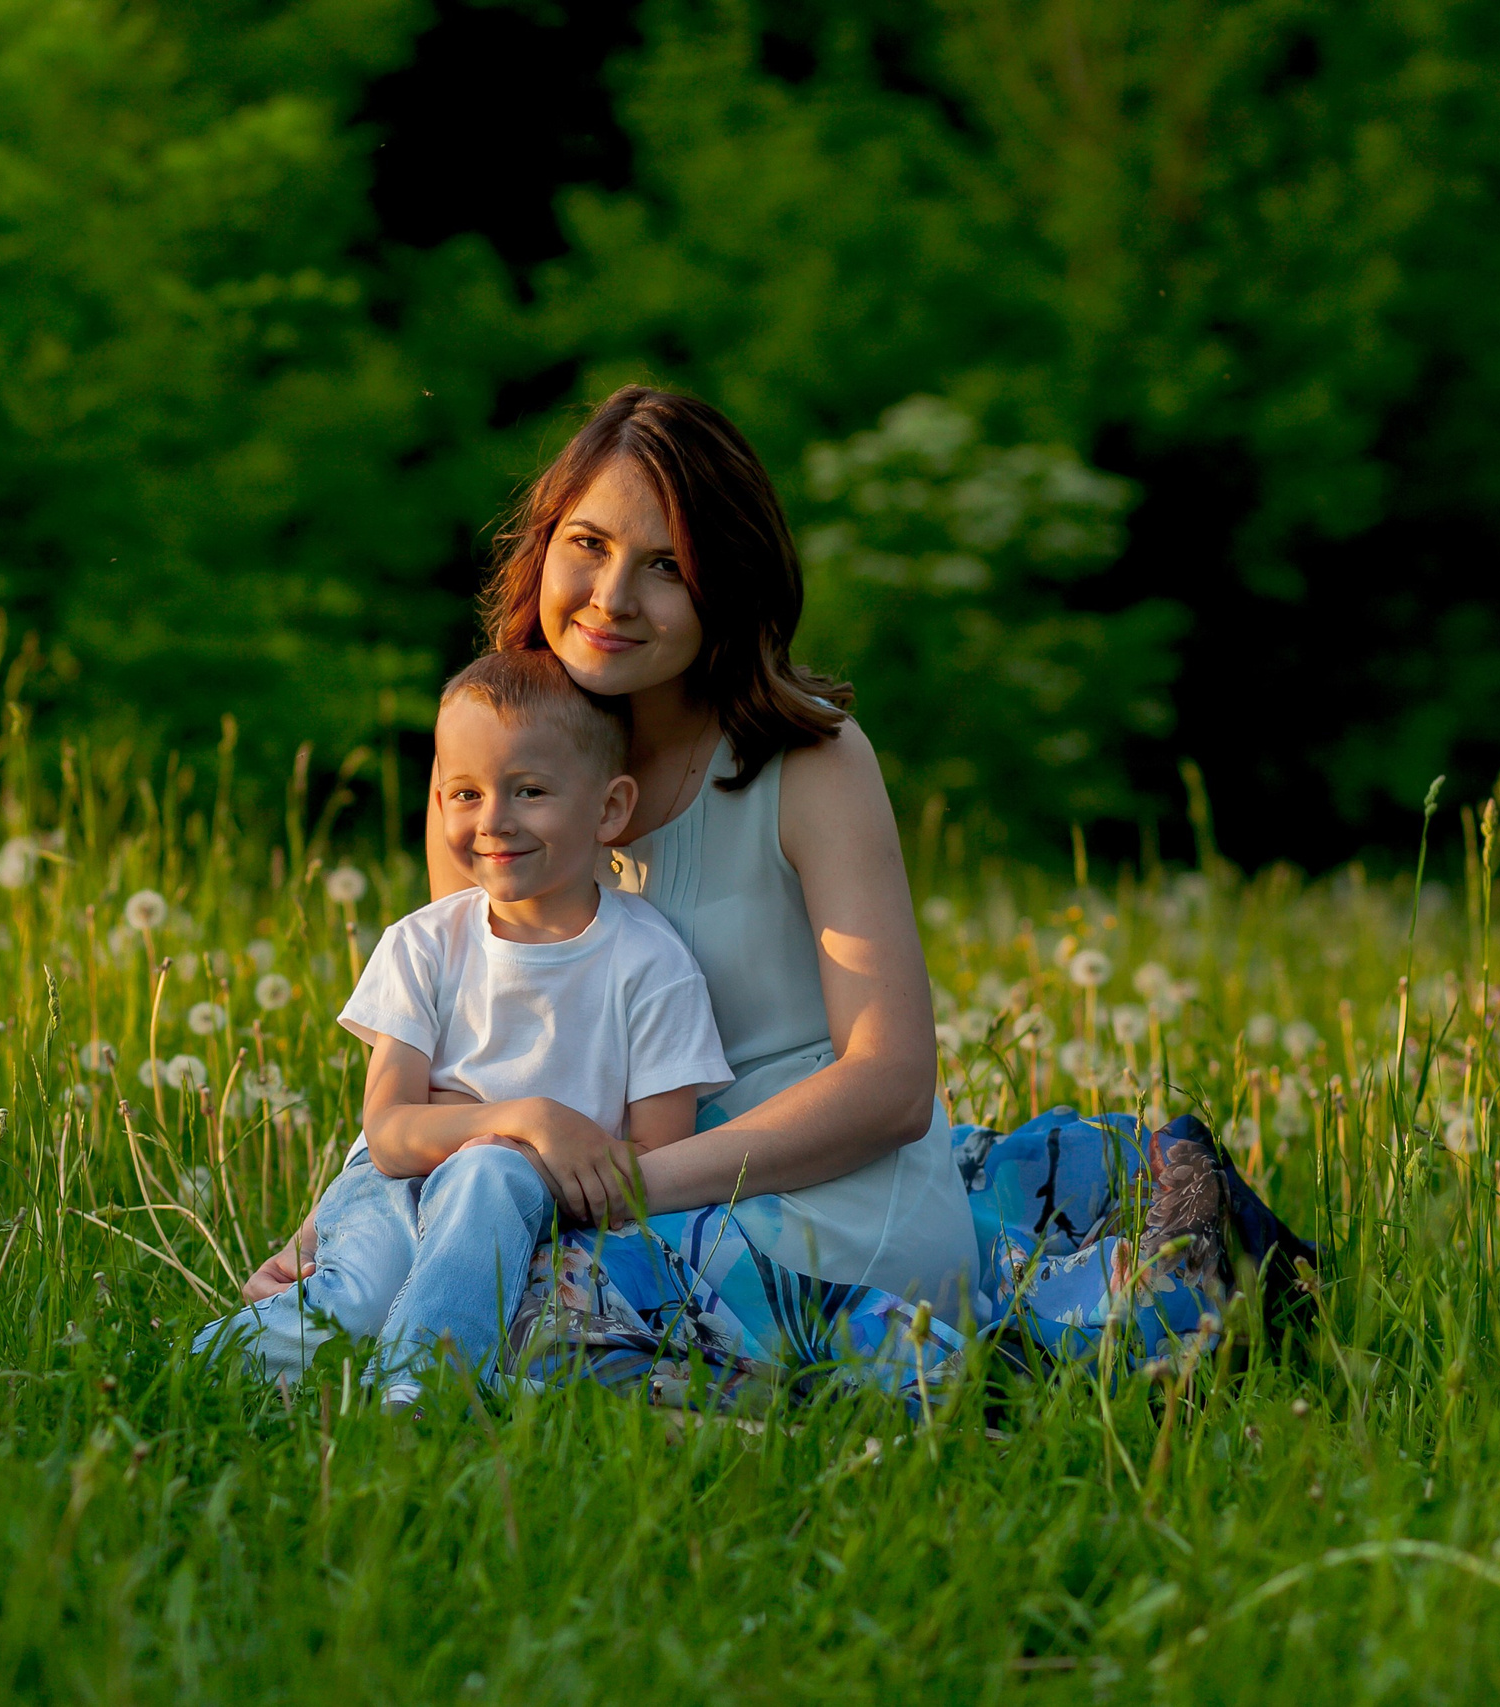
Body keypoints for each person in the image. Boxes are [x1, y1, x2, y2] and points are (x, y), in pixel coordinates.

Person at [245, 385, 1295, 1396]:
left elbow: (889, 1084)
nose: (611, 598)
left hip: (802, 1190)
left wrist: (621, 1193)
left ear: (728, 587)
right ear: (543, 545)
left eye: (666, 567)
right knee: (401, 1300)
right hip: (562, 1181)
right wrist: (331, 1234)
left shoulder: (809, 760)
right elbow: (460, 1074)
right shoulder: (498, 763)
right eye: (589, 545)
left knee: (525, 1322)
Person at [196, 649, 732, 1409]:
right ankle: (194, 1372)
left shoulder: (650, 962)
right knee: (352, 1298)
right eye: (465, 792)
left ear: (610, 808)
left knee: (490, 1174)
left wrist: (505, 1151)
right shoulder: (423, 943)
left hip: (536, 1216)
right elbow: (386, 1135)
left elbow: (658, 1157)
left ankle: (418, 1394)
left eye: (530, 790)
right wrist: (530, 1119)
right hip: (392, 1190)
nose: (494, 821)